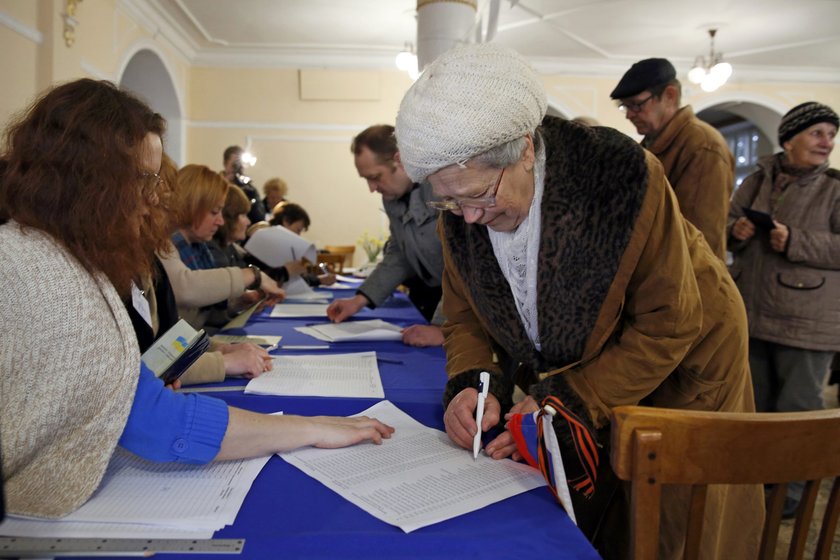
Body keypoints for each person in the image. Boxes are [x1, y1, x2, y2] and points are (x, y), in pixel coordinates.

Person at [394, 43, 762, 559]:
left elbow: (668, 324)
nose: (467, 217)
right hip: (595, 359)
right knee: (595, 508)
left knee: (669, 520)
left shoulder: (620, 178)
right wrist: (472, 384)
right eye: (448, 200)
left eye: (479, 196)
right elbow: (464, 317)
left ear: (525, 149)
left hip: (682, 354)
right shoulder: (461, 212)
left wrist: (565, 399)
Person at [0, 79, 393, 519]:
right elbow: (151, 418)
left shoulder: (52, 251)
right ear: (90, 178)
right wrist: (310, 428)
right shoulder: (46, 272)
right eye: (142, 181)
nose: (152, 202)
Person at [727, 101, 839, 515]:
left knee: (798, 411)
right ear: (789, 139)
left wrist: (795, 241)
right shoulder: (757, 180)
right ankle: (759, 483)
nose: (827, 142)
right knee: (756, 408)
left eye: (831, 134)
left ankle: (792, 494)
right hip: (753, 314)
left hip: (807, 321)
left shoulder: (835, 188)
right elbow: (727, 221)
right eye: (817, 133)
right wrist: (733, 231)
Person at [128, 155, 271, 384]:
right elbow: (147, 361)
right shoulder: (152, 252)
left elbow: (169, 334)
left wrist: (216, 348)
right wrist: (222, 361)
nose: (166, 215)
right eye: (163, 205)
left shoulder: (151, 253)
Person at [326, 124, 445, 347]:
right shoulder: (392, 197)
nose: (372, 188)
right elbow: (400, 254)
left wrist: (442, 327)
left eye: (375, 177)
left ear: (400, 161)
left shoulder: (441, 187)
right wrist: (359, 301)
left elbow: (464, 268)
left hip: (471, 306)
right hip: (435, 296)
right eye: (366, 180)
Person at [611, 58, 734, 260]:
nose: (629, 115)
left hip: (685, 281)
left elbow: (697, 239)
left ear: (670, 95)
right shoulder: (653, 144)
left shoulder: (702, 145)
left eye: (636, 105)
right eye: (625, 107)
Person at [168, 163, 285, 330]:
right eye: (214, 212)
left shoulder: (198, 248)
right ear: (192, 206)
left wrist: (236, 305)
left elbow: (199, 317)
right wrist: (254, 275)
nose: (221, 221)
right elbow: (187, 289)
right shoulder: (165, 245)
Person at [222, 145, 265, 225]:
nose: (238, 168)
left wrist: (250, 197)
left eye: (240, 164)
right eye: (234, 165)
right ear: (225, 163)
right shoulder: (216, 186)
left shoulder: (248, 188)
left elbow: (259, 217)